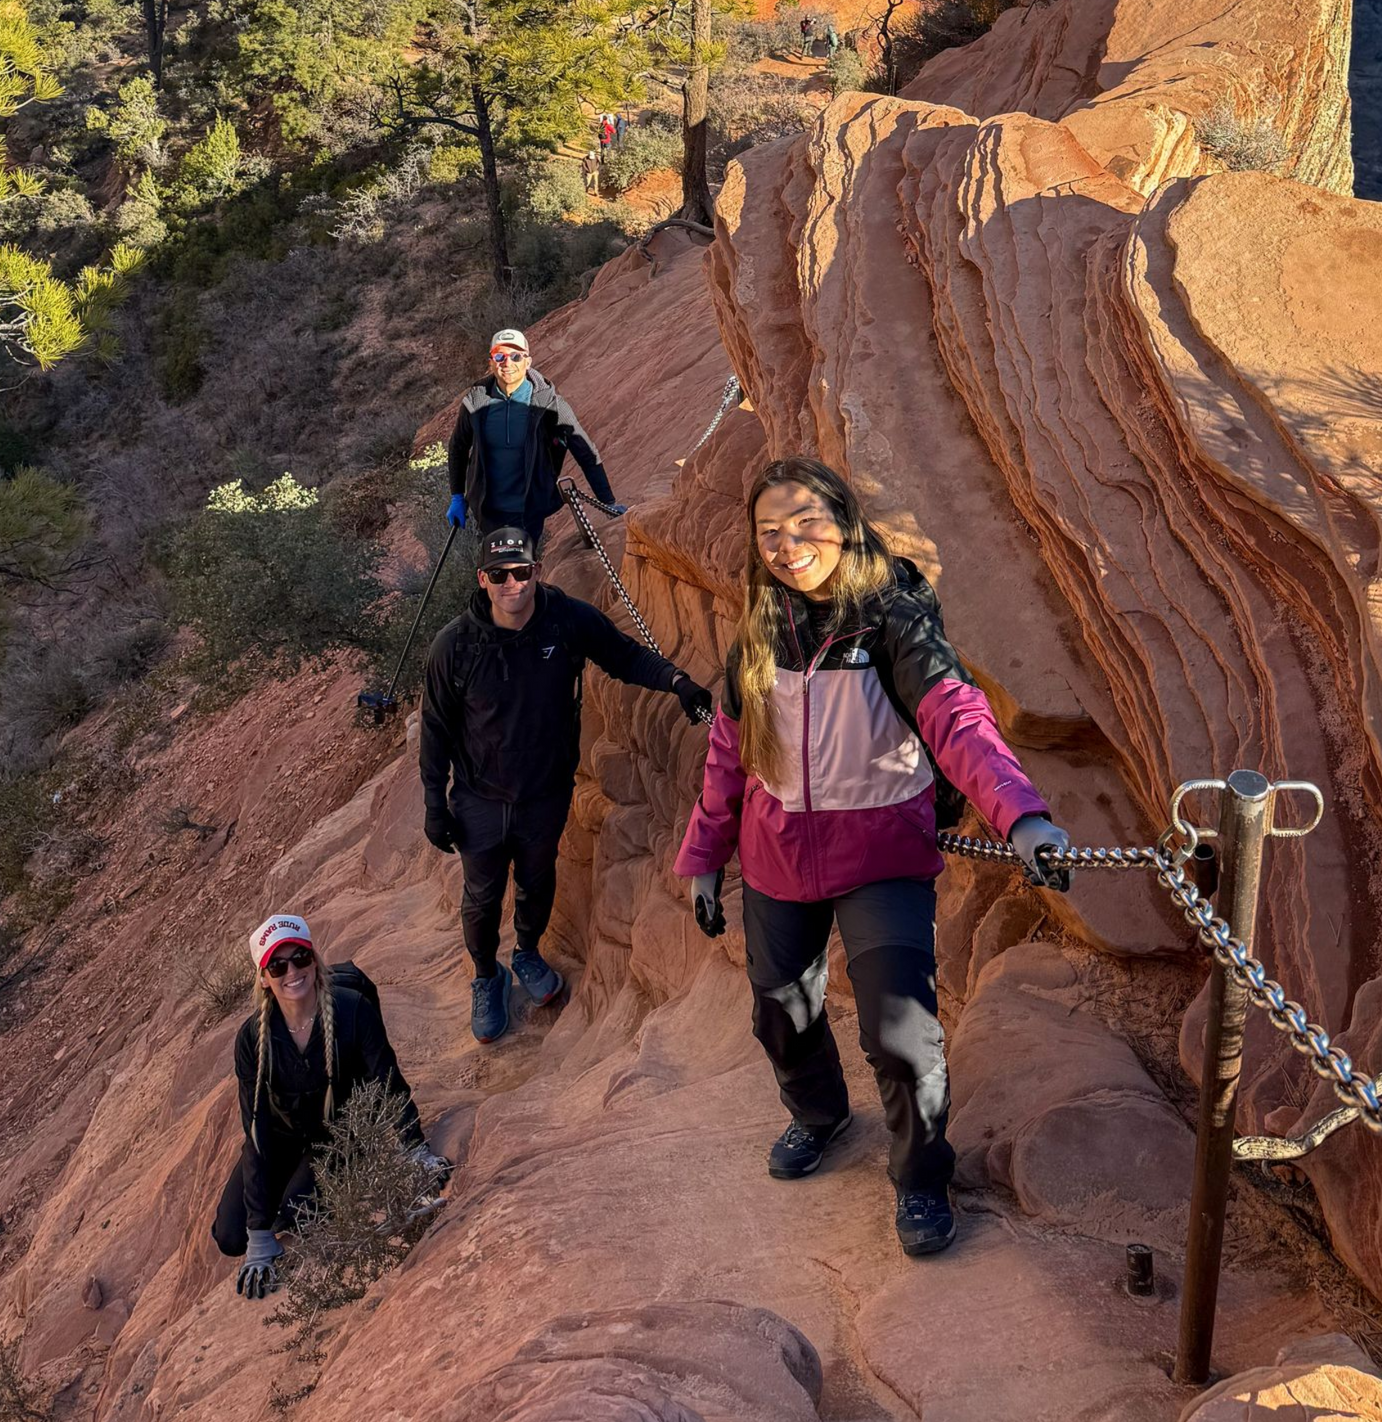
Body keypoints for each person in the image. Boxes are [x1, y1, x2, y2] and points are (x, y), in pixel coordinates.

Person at [674, 458, 1072, 1258]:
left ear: (845, 523)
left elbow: (957, 717)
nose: (790, 547)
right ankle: (819, 1116)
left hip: (882, 856)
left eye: (806, 525)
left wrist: (1020, 814)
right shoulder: (759, 627)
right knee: (780, 1014)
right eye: (771, 534)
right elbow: (730, 754)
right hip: (778, 859)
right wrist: (701, 858)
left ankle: (922, 1178)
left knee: (901, 1033)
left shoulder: (893, 616)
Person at [422, 527, 713, 1043]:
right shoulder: (454, 647)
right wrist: (434, 804)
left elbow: (624, 656)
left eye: (522, 572)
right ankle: (487, 976)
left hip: (544, 791)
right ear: (482, 581)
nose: (513, 584)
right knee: (482, 898)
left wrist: (676, 682)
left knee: (537, 881)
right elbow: (437, 729)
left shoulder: (565, 619)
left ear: (537, 571)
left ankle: (528, 953)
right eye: (499, 575)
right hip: (479, 799)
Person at [211, 914, 446, 1299]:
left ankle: (300, 1197)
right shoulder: (253, 1039)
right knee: (231, 1236)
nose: (292, 972)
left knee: (297, 1214)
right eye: (278, 965)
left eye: (300, 957)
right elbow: (255, 1131)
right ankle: (262, 1222)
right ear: (264, 978)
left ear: (315, 959)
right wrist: (258, 1234)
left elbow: (388, 1082)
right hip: (285, 1136)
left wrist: (414, 1149)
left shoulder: (352, 1010)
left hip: (343, 1131)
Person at [443, 329, 624, 554]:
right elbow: (458, 447)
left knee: (520, 568)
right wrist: (457, 496)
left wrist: (607, 501)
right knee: (496, 572)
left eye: (516, 356)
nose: (507, 362)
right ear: (491, 362)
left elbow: (585, 450)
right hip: (488, 508)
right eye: (500, 356)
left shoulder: (549, 404)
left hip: (529, 507)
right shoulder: (475, 401)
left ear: (528, 361)